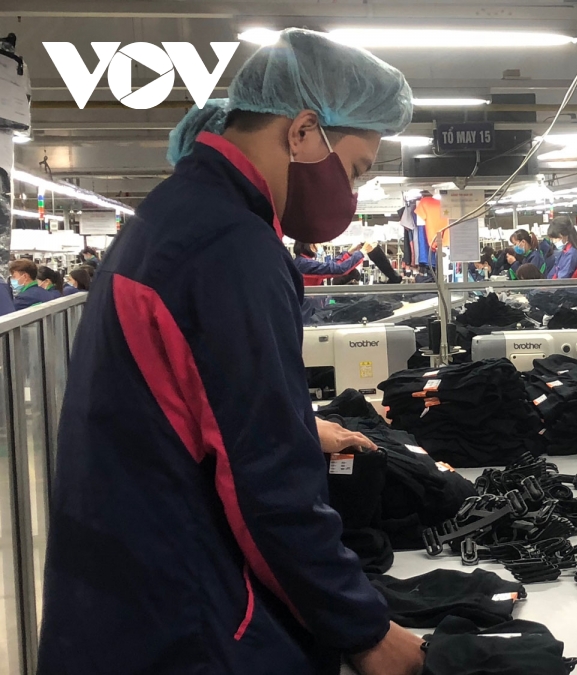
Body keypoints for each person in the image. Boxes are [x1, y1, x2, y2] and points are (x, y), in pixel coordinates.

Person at [39, 29, 425, 675]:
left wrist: (298, 424)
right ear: (304, 132)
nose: (353, 193)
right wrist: (364, 631)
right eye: (356, 169)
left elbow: (183, 398)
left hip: (125, 596)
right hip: (191, 619)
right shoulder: (232, 247)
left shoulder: (176, 216)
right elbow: (268, 487)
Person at [293, 240, 370, 286]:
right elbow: (339, 269)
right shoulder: (305, 264)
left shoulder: (302, 262)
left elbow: (331, 265)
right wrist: (361, 253)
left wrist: (349, 253)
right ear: (311, 246)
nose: (319, 246)